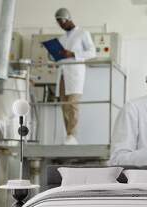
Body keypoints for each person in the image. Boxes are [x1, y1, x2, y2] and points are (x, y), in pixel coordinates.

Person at [54, 8, 96, 145]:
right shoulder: (62, 38)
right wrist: (55, 55)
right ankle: (68, 135)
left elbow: (92, 52)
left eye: (61, 22)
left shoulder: (83, 33)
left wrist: (73, 54)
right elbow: (61, 57)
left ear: (68, 19)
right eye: (58, 23)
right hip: (63, 73)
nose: (61, 25)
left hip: (75, 73)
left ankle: (73, 135)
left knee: (73, 104)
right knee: (64, 105)